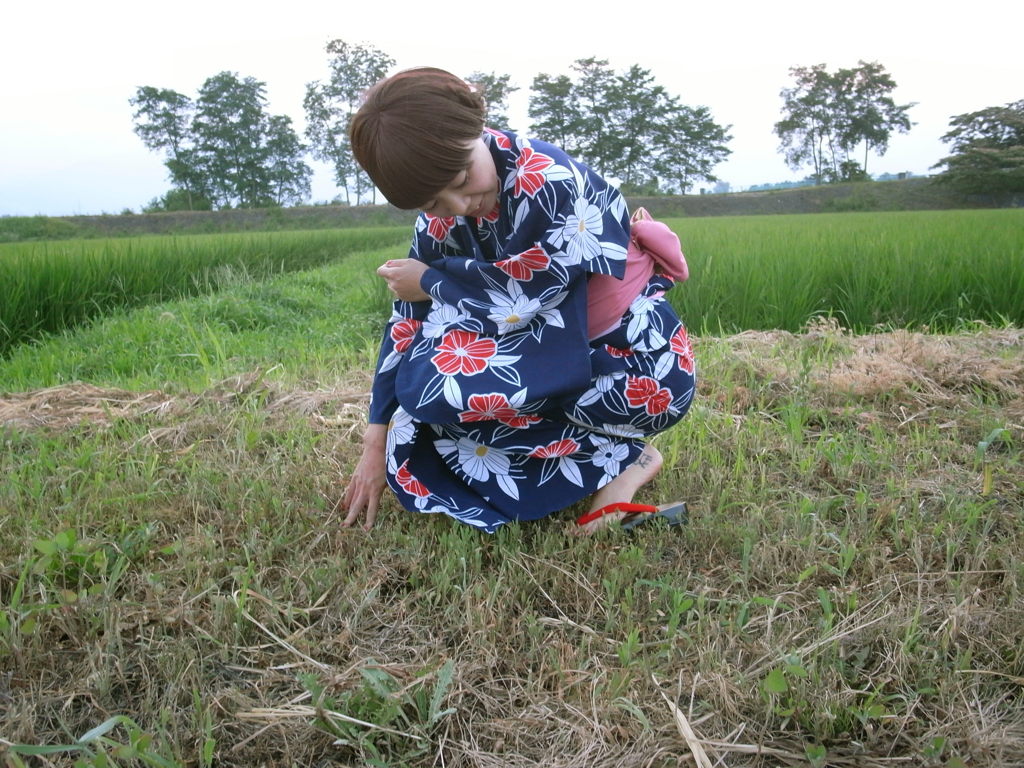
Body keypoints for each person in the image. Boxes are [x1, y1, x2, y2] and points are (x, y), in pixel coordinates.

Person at [338, 67, 696, 534]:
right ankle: (626, 459)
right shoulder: (442, 218)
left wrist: (433, 282)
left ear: (476, 125)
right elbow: (407, 321)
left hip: (636, 367)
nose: (459, 205)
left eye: (463, 176)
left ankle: (621, 451)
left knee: (444, 377)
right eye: (433, 204)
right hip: (546, 361)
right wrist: (375, 437)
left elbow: (532, 298)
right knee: (414, 412)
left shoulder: (552, 181)